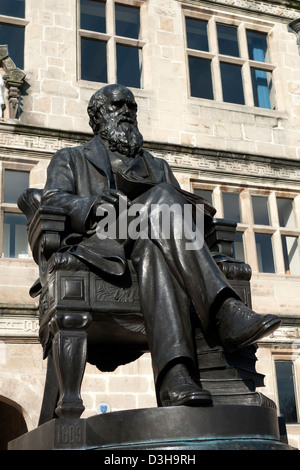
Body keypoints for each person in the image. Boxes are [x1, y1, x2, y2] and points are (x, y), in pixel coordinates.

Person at [41, 84, 281, 407]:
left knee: (156, 247)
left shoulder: (158, 166)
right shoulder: (71, 159)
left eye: (131, 106)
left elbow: (181, 217)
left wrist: (198, 214)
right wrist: (93, 203)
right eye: (117, 106)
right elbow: (53, 202)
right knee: (164, 198)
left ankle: (175, 377)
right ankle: (223, 309)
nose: (126, 111)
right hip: (105, 241)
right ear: (97, 117)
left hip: (149, 246)